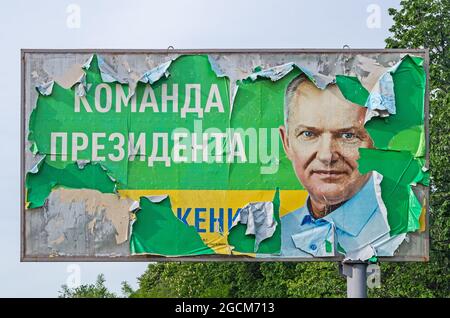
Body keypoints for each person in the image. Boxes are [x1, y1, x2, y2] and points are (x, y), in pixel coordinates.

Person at [278, 74, 396, 258]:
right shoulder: (274, 236)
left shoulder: (396, 234)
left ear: (377, 142)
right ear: (287, 143)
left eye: (348, 136)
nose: (327, 156)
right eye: (309, 134)